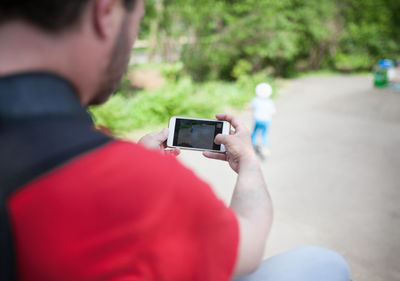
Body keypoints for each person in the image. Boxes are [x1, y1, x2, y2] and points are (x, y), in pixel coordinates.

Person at [0, 0, 350, 280]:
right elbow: (249, 244)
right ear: (105, 13)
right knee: (322, 263)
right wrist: (249, 164)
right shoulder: (131, 180)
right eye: (137, 17)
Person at [251, 83, 276, 157]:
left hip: (258, 120)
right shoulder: (270, 101)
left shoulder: (255, 100)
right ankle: (265, 147)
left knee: (254, 133)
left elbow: (251, 106)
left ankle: (252, 146)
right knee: (264, 134)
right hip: (266, 121)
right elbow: (273, 112)